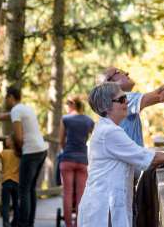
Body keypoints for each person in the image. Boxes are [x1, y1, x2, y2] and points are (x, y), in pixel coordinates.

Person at [77, 82, 164, 227]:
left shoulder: (107, 129)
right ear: (107, 107)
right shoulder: (110, 132)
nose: (127, 102)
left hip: (106, 204)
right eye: (122, 99)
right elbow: (148, 158)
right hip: (104, 208)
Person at [0, 86, 48, 227]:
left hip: (30, 152)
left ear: (11, 97)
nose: (5, 101)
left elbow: (18, 137)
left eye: (6, 98)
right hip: (41, 150)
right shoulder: (25, 108)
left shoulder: (16, 110)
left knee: (23, 190)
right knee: (30, 189)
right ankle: (29, 223)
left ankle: (23, 224)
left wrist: (18, 151)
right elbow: (0, 117)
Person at [97, 54, 164, 147]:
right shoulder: (121, 100)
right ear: (109, 82)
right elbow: (160, 95)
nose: (127, 73)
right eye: (119, 72)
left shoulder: (113, 105)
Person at [58, 96, 94, 227]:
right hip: (82, 161)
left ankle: (69, 225)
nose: (66, 107)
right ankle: (79, 224)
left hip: (67, 159)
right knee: (80, 195)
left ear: (71, 104)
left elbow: (61, 140)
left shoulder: (65, 119)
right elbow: (96, 138)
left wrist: (65, 150)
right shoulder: (88, 121)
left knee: (67, 193)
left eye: (67, 104)